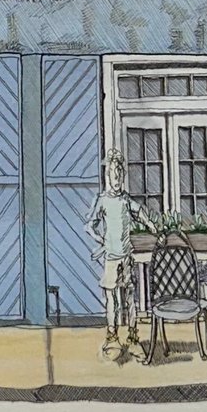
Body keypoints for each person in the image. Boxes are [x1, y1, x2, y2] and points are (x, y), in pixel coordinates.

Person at [87, 151, 140, 362]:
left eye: (119, 174)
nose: (116, 178)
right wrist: (101, 240)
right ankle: (112, 335)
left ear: (123, 175)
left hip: (126, 256)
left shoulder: (126, 200)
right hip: (111, 257)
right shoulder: (102, 200)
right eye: (112, 174)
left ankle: (133, 335)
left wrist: (152, 225)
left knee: (130, 297)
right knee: (111, 298)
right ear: (107, 176)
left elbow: (140, 213)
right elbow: (89, 226)